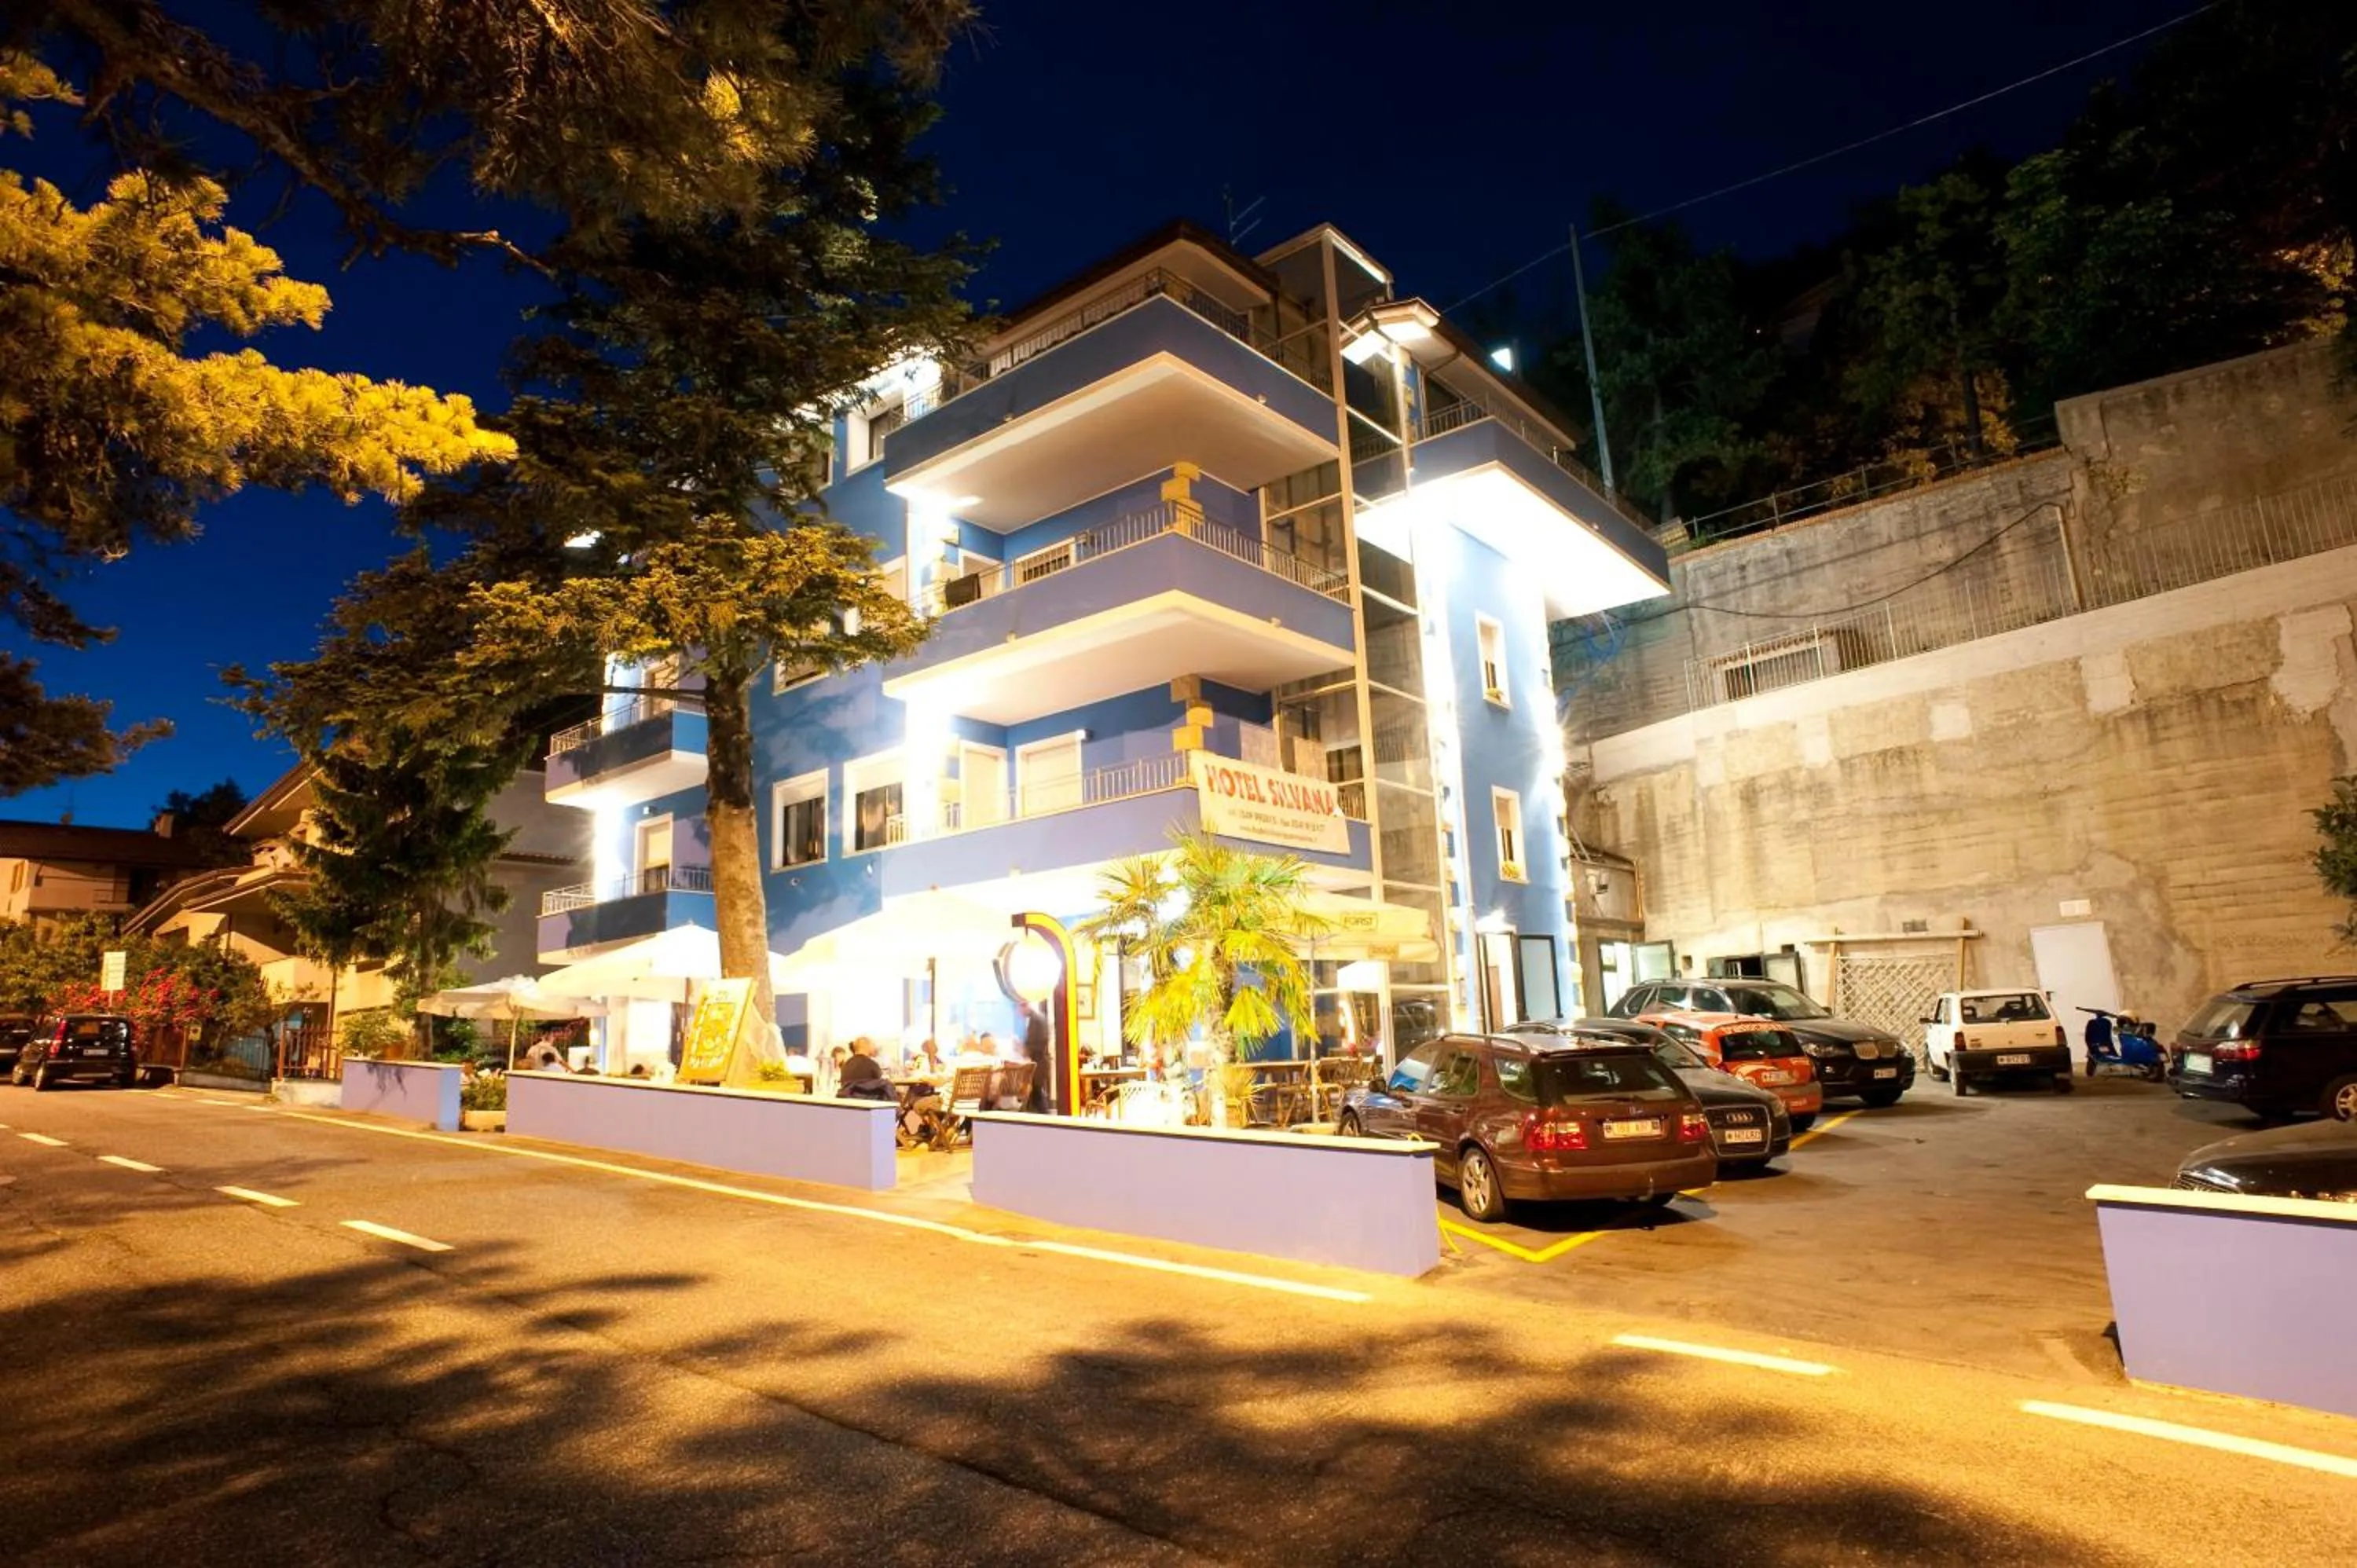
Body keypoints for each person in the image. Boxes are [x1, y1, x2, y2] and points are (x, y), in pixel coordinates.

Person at [838, 1038, 894, 1102]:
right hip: (869, 1104)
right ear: (867, 1047)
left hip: (849, 1103)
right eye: (873, 1045)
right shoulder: (872, 1065)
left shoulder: (846, 1065)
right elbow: (880, 1085)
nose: (874, 1048)